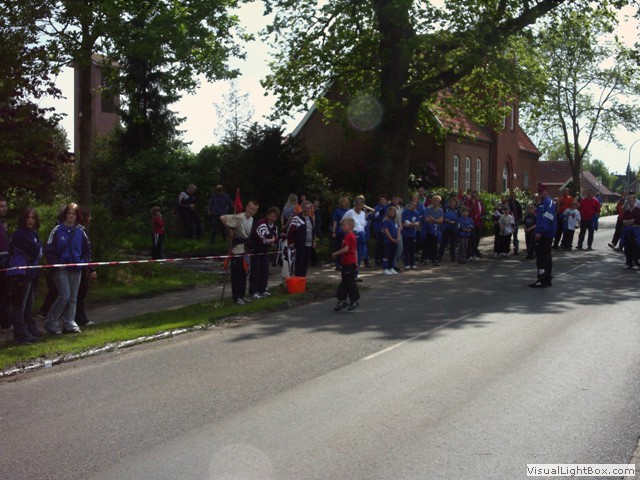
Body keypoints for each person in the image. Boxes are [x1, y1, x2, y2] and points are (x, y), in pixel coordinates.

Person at [44, 202, 91, 334]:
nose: (71, 216)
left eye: (73, 214)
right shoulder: (57, 230)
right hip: (61, 269)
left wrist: (82, 263)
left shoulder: (80, 232)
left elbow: (87, 250)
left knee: (73, 298)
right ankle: (51, 321)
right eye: (69, 213)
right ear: (65, 215)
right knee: (64, 296)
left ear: (77, 216)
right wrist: (57, 263)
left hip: (76, 269)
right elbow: (49, 249)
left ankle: (69, 322)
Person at [7, 208, 43, 344]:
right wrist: (36, 250)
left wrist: (37, 250)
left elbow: (39, 251)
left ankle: (30, 329)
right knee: (19, 305)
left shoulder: (34, 234)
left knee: (28, 304)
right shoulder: (19, 234)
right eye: (28, 217)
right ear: (23, 219)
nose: (30, 220)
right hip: (20, 273)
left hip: (31, 272)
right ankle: (20, 334)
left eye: (33, 218)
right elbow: (34, 251)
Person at [221, 200, 259, 305]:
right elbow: (223, 218)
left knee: (243, 273)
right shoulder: (239, 217)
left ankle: (242, 294)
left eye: (254, 210)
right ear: (247, 208)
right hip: (236, 249)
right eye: (250, 208)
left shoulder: (251, 219)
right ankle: (236, 296)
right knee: (236, 273)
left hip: (245, 249)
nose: (251, 211)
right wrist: (229, 229)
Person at [248, 206, 280, 299]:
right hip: (255, 249)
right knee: (255, 270)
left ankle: (262, 289)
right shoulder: (261, 223)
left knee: (265, 270)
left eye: (274, 217)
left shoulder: (275, 227)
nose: (272, 218)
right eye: (271, 216)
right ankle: (253, 291)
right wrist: (271, 240)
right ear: (267, 215)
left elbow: (276, 238)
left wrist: (272, 240)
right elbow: (262, 239)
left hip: (264, 251)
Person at [529, 183, 556, 288]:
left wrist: (540, 231)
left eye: (542, 191)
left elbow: (548, 218)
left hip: (545, 234)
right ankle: (547, 277)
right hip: (544, 233)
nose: (540, 193)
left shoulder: (548, 203)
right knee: (546, 256)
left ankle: (542, 279)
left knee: (541, 257)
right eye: (539, 191)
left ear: (546, 191)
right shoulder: (542, 203)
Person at [331, 217, 360, 311]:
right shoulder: (351, 236)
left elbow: (346, 249)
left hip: (349, 263)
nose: (342, 227)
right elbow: (354, 250)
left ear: (350, 226)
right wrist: (356, 262)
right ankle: (342, 300)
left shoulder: (349, 236)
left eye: (344, 225)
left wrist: (336, 253)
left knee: (349, 282)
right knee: (345, 281)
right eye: (342, 225)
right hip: (348, 262)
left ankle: (354, 299)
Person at [75, 206, 97, 327]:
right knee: (80, 292)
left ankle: (79, 316)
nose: (90, 219)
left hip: (83, 265)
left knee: (82, 292)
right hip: (80, 266)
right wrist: (90, 268)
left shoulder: (82, 231)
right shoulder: (79, 231)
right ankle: (79, 318)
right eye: (88, 216)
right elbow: (84, 251)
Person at [286, 200, 315, 277]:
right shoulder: (296, 218)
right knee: (299, 262)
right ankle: (298, 278)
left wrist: (313, 241)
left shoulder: (310, 219)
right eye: (305, 208)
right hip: (300, 244)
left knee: (306, 262)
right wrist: (291, 241)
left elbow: (312, 231)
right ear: (302, 208)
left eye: (308, 208)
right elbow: (290, 231)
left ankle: (303, 278)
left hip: (309, 244)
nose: (307, 210)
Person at [341, 196, 368, 278]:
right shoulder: (350, 212)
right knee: (353, 254)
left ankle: (356, 273)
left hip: (361, 234)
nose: (358, 207)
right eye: (357, 205)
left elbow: (363, 224)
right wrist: (348, 230)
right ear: (354, 204)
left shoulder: (363, 213)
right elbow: (342, 221)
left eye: (360, 205)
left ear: (362, 205)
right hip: (353, 234)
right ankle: (351, 273)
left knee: (359, 255)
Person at [621, 192, 640, 270]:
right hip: (627, 231)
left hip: (635, 231)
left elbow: (637, 220)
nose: (630, 202)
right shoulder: (627, 211)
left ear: (634, 201)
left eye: (632, 200)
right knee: (627, 247)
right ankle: (629, 262)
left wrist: (630, 221)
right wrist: (631, 221)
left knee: (635, 247)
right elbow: (623, 221)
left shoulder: (638, 210)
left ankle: (636, 263)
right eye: (629, 201)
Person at [330, 196, 350, 270]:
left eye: (344, 201)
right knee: (338, 247)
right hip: (339, 230)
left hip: (347, 230)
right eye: (342, 201)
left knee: (346, 247)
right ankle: (338, 264)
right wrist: (333, 231)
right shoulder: (337, 211)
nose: (343, 203)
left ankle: (345, 263)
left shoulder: (349, 211)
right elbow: (335, 221)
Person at [423, 195, 443, 266]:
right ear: (432, 201)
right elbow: (427, 219)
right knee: (427, 244)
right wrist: (436, 220)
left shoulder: (440, 210)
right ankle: (425, 259)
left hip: (436, 230)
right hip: (428, 229)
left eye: (438, 201)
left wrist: (433, 219)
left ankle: (434, 260)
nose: (436, 202)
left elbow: (441, 220)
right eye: (435, 201)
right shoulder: (428, 209)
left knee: (435, 245)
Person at [0, 197, 10, 330]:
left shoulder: (3, 225)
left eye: (4, 206)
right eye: (1, 206)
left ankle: (6, 323)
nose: (4, 208)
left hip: (5, 264)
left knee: (4, 295)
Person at [401, 199, 420, 269]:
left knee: (412, 249)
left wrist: (410, 224)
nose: (414, 206)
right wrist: (412, 224)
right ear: (410, 205)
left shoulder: (416, 213)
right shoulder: (405, 212)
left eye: (415, 205)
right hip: (405, 234)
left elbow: (417, 223)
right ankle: (406, 263)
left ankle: (413, 263)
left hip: (413, 234)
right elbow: (405, 223)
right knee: (406, 249)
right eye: (413, 205)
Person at [439, 197, 459, 262]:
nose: (452, 204)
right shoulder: (446, 209)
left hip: (454, 229)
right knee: (443, 243)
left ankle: (453, 257)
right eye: (451, 202)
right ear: (449, 203)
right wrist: (445, 220)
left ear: (456, 203)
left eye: (454, 203)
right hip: (446, 228)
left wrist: (455, 222)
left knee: (453, 244)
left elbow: (459, 219)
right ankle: (439, 256)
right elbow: (441, 216)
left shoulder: (457, 211)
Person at [382, 206, 401, 274]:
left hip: (395, 240)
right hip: (388, 240)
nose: (392, 213)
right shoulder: (386, 220)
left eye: (394, 212)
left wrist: (398, 238)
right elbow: (386, 230)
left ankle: (391, 267)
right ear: (388, 212)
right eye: (391, 211)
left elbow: (398, 229)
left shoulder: (395, 220)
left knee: (392, 255)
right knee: (387, 254)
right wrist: (391, 239)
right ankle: (385, 268)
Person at [372, 195, 388, 266]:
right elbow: (376, 217)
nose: (383, 201)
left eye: (384, 200)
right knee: (379, 245)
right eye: (381, 200)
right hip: (379, 229)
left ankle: (384, 259)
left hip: (386, 228)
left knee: (385, 245)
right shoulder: (377, 208)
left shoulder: (387, 207)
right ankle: (378, 259)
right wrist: (380, 214)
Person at [507, 191, 523, 255]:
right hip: (509, 221)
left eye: (514, 196)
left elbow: (520, 212)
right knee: (508, 236)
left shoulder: (517, 203)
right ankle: (506, 250)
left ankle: (516, 249)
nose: (513, 197)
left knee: (515, 236)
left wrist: (519, 219)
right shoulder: (508, 203)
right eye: (512, 196)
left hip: (516, 221)